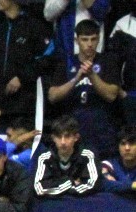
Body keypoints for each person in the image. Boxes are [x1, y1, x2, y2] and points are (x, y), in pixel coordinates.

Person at [47, 18, 123, 158]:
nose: (89, 44)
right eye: (85, 39)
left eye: (93, 39)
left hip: (102, 132)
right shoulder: (66, 62)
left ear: (98, 39)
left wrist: (92, 75)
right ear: (77, 40)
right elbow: (52, 96)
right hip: (72, 131)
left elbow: (111, 95)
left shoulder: (108, 61)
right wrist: (76, 79)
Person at [32, 115, 101, 197]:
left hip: (81, 200)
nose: (63, 142)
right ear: (53, 138)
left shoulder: (88, 155)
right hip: (55, 202)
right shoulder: (44, 157)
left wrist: (57, 185)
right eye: (58, 137)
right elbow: (39, 189)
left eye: (67, 136)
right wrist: (70, 182)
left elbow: (92, 185)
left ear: (76, 137)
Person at [99, 125, 136, 192]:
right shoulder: (107, 165)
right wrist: (132, 185)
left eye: (132, 143)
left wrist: (118, 185)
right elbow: (103, 184)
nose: (127, 148)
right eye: (123, 144)